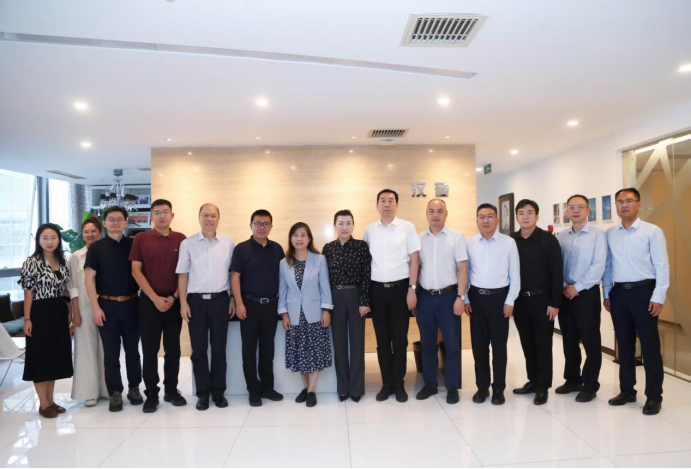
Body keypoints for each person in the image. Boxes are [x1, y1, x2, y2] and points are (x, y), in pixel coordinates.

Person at [603, 187, 669, 416]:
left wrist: (658, 296)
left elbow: (662, 266)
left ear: (638, 204)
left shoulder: (652, 231)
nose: (624, 205)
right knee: (624, 344)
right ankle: (627, 390)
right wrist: (607, 294)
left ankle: (654, 396)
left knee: (650, 346)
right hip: (619, 293)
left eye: (628, 201)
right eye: (620, 202)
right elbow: (608, 266)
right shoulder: (610, 234)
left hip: (644, 292)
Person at [176, 203, 235, 411]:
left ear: (219, 218)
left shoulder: (228, 243)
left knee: (219, 350)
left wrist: (233, 298)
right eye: (205, 215)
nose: (209, 219)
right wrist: (183, 303)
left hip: (220, 301)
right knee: (199, 350)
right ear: (199, 218)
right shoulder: (187, 244)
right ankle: (203, 393)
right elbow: (183, 275)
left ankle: (218, 392)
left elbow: (233, 275)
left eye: (213, 215)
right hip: (196, 302)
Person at [364, 189, 421, 403]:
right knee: (382, 341)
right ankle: (386, 383)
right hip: (377, 291)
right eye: (383, 200)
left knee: (399, 340)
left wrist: (412, 289)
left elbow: (414, 260)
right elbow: (366, 263)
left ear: (397, 204)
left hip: (400, 290)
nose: (386, 204)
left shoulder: (407, 227)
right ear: (377, 205)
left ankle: (398, 382)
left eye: (390, 201)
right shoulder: (370, 229)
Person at [130, 199, 187, 413]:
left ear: (172, 215)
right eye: (157, 212)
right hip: (148, 302)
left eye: (165, 212)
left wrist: (174, 297)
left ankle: (171, 391)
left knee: (173, 350)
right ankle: (151, 394)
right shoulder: (141, 238)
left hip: (173, 302)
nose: (161, 215)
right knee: (150, 350)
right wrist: (154, 298)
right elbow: (136, 271)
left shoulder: (181, 239)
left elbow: (185, 272)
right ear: (151, 216)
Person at [85, 206, 142, 412]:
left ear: (126, 222)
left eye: (119, 219)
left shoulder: (134, 245)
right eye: (111, 219)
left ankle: (134, 388)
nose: (115, 222)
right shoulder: (96, 248)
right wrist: (95, 308)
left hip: (132, 304)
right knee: (111, 353)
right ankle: (115, 392)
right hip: (106, 305)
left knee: (133, 351)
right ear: (104, 223)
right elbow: (89, 279)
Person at [464, 203, 520, 405]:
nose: (486, 220)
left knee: (499, 348)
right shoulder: (469, 243)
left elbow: (515, 275)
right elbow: (464, 273)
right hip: (476, 299)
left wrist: (510, 300)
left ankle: (498, 389)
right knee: (479, 348)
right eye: (482, 217)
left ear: (497, 220)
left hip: (500, 299)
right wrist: (466, 298)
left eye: (490, 216)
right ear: (476, 220)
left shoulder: (508, 243)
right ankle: (482, 388)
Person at [230, 209, 286, 407]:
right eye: (258, 223)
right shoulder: (241, 249)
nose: (262, 227)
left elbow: (283, 278)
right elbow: (235, 277)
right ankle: (253, 390)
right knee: (249, 351)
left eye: (265, 224)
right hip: (249, 306)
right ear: (251, 225)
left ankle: (267, 387)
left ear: (271, 226)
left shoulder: (277, 249)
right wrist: (238, 303)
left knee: (267, 350)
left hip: (271, 306)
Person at [415, 199, 467, 405]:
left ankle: (452, 387)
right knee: (428, 344)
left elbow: (462, 269)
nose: (435, 215)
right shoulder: (418, 239)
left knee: (452, 344)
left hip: (449, 297)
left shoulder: (457, 237)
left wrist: (461, 297)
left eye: (440, 211)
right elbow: (416, 268)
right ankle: (430, 384)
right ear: (426, 213)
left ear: (446, 213)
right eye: (432, 211)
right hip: (425, 298)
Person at [511, 199, 563, 405]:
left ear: (537, 216)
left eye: (529, 212)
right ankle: (532, 381)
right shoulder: (511, 240)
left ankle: (543, 386)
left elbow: (557, 272)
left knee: (543, 344)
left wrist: (555, 302)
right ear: (516, 217)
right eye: (521, 213)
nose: (525, 216)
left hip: (543, 301)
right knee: (527, 343)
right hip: (520, 301)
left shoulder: (548, 240)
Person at [19, 223, 73, 418]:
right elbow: (28, 293)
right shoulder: (32, 262)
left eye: (53, 237)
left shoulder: (62, 261)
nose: (49, 241)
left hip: (58, 311)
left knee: (53, 357)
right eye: (45, 238)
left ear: (58, 239)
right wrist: (27, 318)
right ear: (38, 240)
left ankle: (51, 401)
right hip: (39, 311)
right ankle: (43, 404)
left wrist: (69, 310)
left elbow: (64, 289)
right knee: (40, 357)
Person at [557, 194, 607, 403]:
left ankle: (590, 384)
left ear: (588, 210)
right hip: (565, 293)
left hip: (586, 293)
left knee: (590, 340)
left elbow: (598, 266)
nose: (575, 210)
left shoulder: (597, 235)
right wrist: (563, 285)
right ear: (567, 211)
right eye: (571, 207)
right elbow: (556, 265)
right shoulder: (561, 236)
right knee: (568, 339)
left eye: (580, 207)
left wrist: (577, 287)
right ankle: (573, 379)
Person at [279, 222, 334, 407]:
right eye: (295, 235)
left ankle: (311, 391)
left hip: (315, 313)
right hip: (294, 314)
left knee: (315, 353)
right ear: (291, 238)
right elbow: (283, 290)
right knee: (299, 353)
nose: (299, 239)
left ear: (309, 238)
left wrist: (326, 310)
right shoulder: (284, 263)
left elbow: (325, 287)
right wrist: (284, 314)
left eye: (303, 235)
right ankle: (305, 388)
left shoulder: (319, 259)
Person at [322, 210, 371, 403]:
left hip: (355, 296)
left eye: (348, 223)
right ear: (334, 226)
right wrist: (326, 306)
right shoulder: (328, 248)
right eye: (341, 223)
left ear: (353, 225)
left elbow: (366, 274)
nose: (344, 227)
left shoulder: (361, 246)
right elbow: (324, 279)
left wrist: (364, 301)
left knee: (357, 344)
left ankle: (356, 388)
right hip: (335, 297)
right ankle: (343, 387)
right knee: (339, 344)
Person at [69, 216, 108, 407]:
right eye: (86, 232)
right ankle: (89, 392)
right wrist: (75, 312)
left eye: (94, 231)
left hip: (106, 306)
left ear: (100, 233)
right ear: (82, 234)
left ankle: (107, 389)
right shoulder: (76, 256)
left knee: (106, 349)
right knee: (85, 349)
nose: (90, 234)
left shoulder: (107, 252)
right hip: (84, 307)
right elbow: (73, 286)